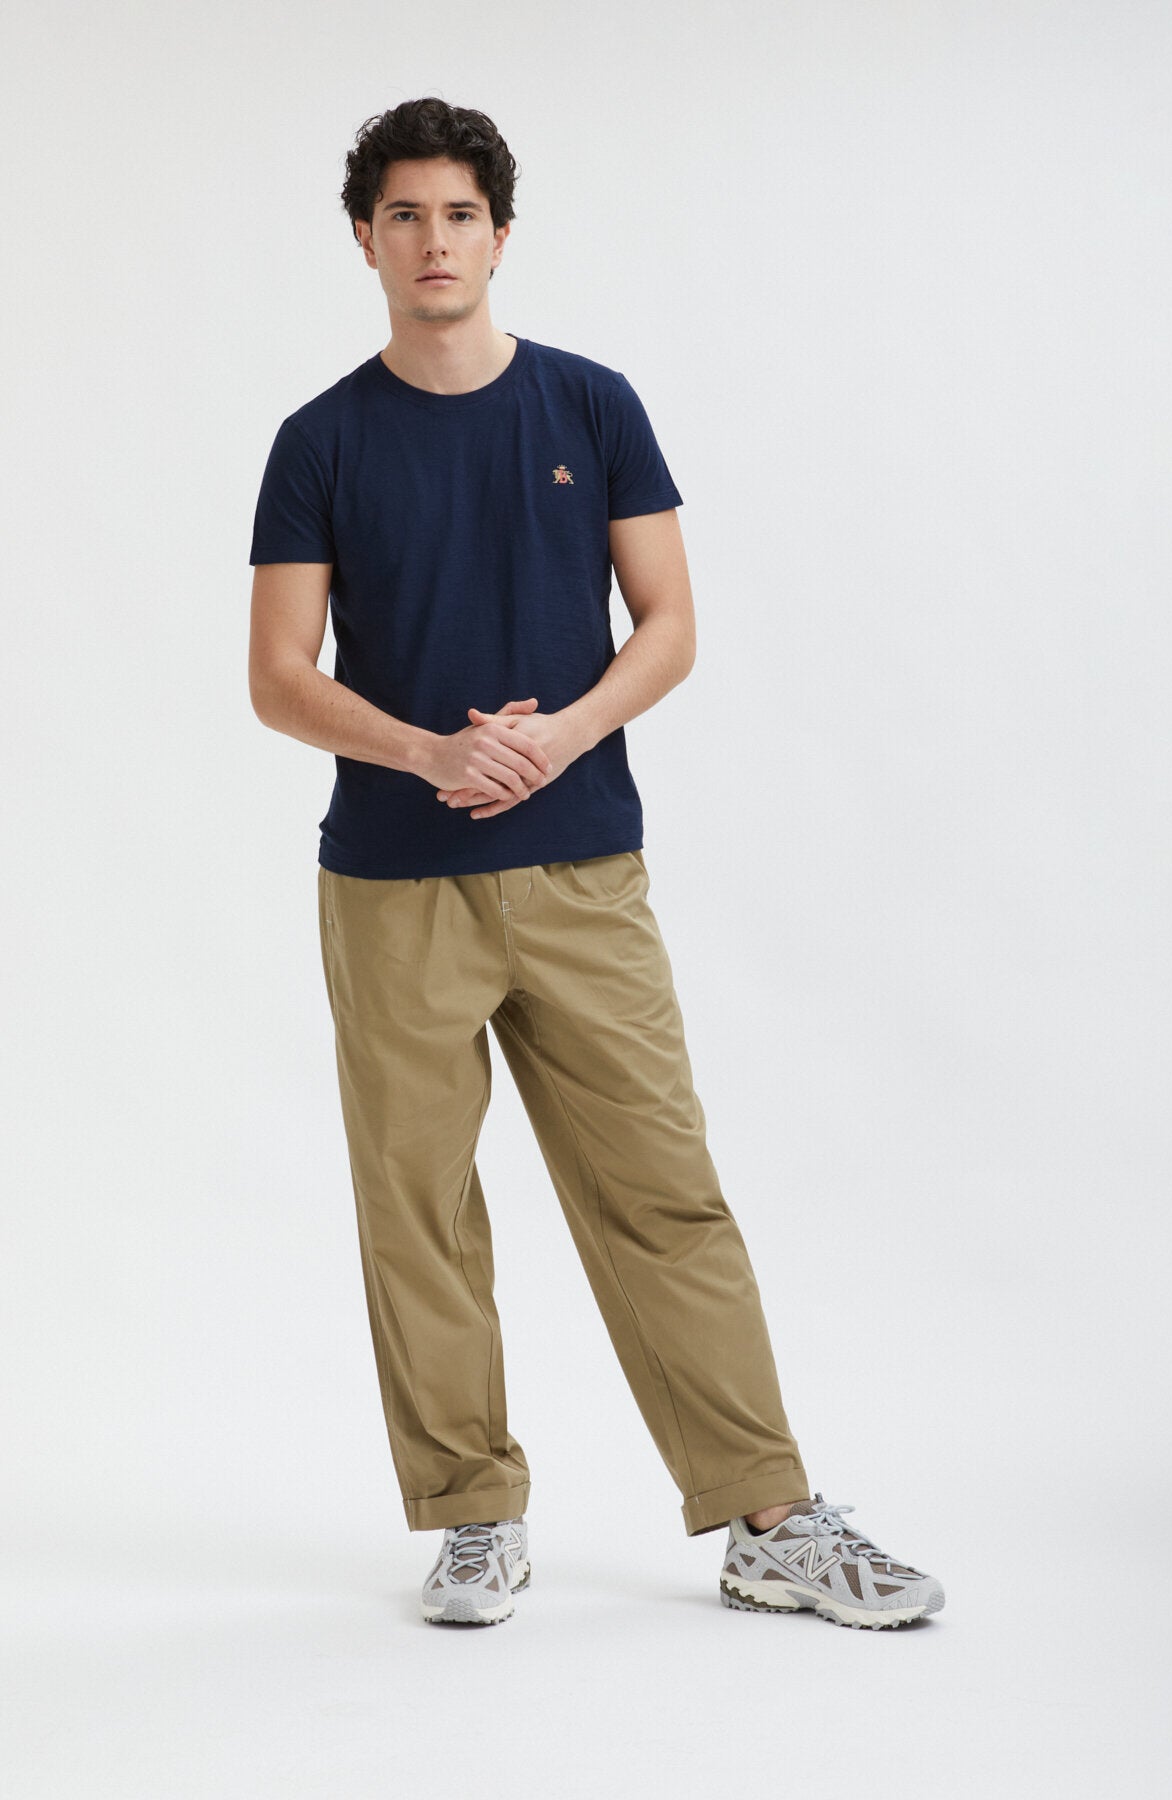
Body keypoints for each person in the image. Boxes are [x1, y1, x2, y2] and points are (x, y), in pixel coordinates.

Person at [247, 95, 944, 1631]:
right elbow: (279, 676)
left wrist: (559, 738)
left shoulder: (592, 406)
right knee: (418, 1208)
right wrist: (428, 752)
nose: (435, 241)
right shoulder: (320, 441)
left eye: (460, 214)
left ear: (501, 233)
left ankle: (769, 1518)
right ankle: (472, 1516)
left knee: (663, 1191)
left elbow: (670, 625)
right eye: (405, 215)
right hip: (391, 885)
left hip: (582, 875)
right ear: (366, 239)